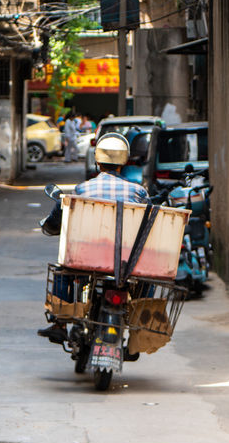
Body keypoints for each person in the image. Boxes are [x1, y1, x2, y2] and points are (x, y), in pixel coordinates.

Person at [38, 133, 148, 342]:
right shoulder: (138, 192)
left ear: (97, 161)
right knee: (147, 277)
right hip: (127, 261)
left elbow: (64, 212)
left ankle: (60, 322)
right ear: (124, 162)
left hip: (88, 258)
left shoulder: (83, 188)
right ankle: (142, 323)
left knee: (63, 271)